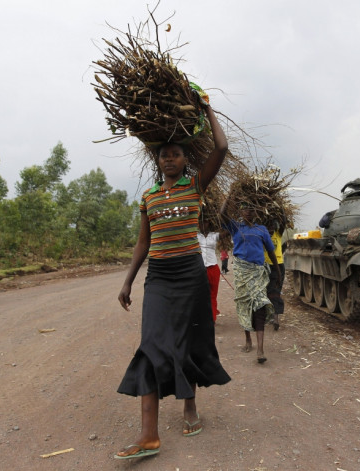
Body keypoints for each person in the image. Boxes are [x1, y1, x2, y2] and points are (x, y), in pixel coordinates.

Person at [114, 103, 231, 460]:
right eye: (164, 155)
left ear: (184, 160)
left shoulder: (195, 186)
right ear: (158, 161)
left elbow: (221, 148)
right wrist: (128, 281)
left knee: (190, 341)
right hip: (160, 278)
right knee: (150, 344)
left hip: (191, 275)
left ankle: (190, 406)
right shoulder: (148, 197)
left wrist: (208, 109)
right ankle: (148, 436)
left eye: (175, 154)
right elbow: (143, 243)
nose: (169, 159)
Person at [221, 201, 281, 364]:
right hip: (242, 273)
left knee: (260, 305)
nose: (247, 211)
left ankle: (260, 349)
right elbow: (222, 214)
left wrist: (278, 271)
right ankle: (248, 339)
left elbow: (271, 252)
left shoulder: (262, 230)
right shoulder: (235, 227)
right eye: (244, 209)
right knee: (244, 306)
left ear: (256, 212)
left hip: (258, 273)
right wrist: (230, 197)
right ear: (240, 212)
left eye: (251, 209)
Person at [197, 221, 220, 322]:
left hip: (213, 268)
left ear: (209, 223)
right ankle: (201, 317)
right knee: (199, 294)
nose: (203, 225)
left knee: (212, 294)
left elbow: (229, 230)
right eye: (201, 223)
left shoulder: (215, 235)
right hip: (199, 269)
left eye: (205, 222)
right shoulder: (195, 236)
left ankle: (212, 319)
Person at [264, 221, 285, 330]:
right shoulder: (262, 235)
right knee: (266, 291)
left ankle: (275, 318)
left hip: (278, 266)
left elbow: (283, 222)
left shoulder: (278, 234)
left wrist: (281, 211)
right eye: (268, 228)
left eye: (272, 227)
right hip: (265, 266)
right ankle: (269, 315)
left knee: (275, 291)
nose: (270, 230)